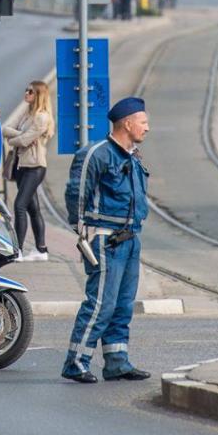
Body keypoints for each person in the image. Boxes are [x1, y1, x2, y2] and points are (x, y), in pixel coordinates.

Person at [62, 95, 152, 384]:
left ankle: (116, 361)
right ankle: (76, 362)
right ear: (127, 123)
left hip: (131, 238)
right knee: (101, 303)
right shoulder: (96, 153)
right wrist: (81, 230)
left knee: (123, 305)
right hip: (105, 239)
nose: (147, 128)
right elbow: (77, 192)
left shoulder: (133, 157)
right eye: (143, 122)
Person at [5, 80, 54, 261]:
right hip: (21, 166)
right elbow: (6, 129)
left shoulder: (42, 117)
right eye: (26, 90)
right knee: (33, 209)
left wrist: (17, 137)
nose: (26, 93)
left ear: (39, 95)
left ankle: (17, 251)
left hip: (35, 167)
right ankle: (41, 250)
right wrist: (20, 135)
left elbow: (24, 141)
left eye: (30, 91)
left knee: (19, 205)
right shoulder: (26, 113)